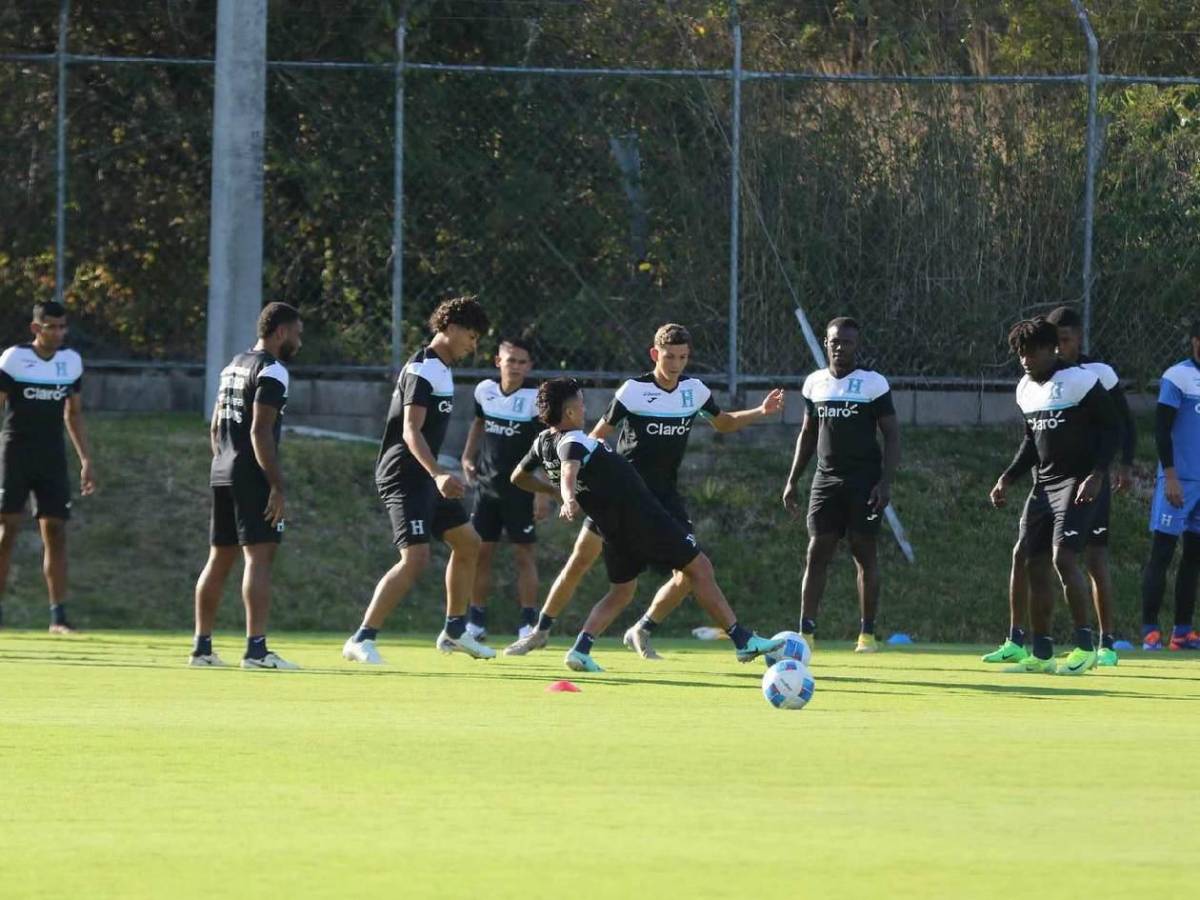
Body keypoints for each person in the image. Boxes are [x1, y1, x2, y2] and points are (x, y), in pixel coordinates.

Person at [502, 323, 783, 658]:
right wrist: (578, 487)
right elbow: (595, 436)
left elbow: (723, 422)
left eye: (682, 356)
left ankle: (642, 628)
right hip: (623, 497)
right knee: (580, 562)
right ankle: (540, 632)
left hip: (664, 498)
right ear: (655, 354)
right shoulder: (633, 391)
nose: (676, 363)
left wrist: (760, 412)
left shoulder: (694, 390)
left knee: (688, 574)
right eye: (669, 356)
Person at [982, 305, 1136, 667]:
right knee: (1030, 559)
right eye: (1020, 352)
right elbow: (1030, 443)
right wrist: (1007, 477)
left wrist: (1098, 473)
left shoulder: (1081, 381)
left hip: (1078, 482)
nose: (1024, 359)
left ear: (1052, 349)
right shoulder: (1025, 389)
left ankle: (1086, 648)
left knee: (1063, 557)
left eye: (1031, 351)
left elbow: (1114, 427)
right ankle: (1042, 652)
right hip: (1044, 485)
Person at [343, 297, 494, 665]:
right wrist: (439, 473)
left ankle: (455, 631)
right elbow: (411, 432)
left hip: (424, 477)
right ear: (452, 328)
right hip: (404, 475)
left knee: (468, 542)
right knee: (415, 558)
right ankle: (361, 638)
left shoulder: (442, 369)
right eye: (471, 337)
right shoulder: (423, 369)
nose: (473, 346)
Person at [190, 302, 303, 669]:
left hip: (221, 467)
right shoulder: (272, 370)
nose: (298, 342)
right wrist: (276, 485)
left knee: (220, 556)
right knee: (259, 556)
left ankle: (202, 648)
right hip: (250, 472)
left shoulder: (232, 366)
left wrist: (223, 460)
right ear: (281, 332)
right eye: (297, 334)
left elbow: (214, 426)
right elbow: (260, 431)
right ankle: (256, 650)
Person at [782, 317, 899, 653]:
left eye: (847, 342)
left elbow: (892, 436)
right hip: (826, 480)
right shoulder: (815, 383)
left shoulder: (873, 384)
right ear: (826, 343)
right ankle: (806, 632)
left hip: (864, 481)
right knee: (817, 551)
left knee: (864, 553)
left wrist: (885, 482)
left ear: (856, 345)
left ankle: (867, 634)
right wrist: (792, 480)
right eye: (835, 341)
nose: (840, 347)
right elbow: (807, 434)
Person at [0, 300, 94, 633]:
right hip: (15, 453)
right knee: (7, 529)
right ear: (35, 328)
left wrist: (85, 460)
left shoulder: (70, 362)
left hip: (51, 456)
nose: (58, 333)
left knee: (54, 531)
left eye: (62, 326)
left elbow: (74, 413)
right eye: (51, 326)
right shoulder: (14, 359)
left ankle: (58, 617)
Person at [460, 337, 548, 642]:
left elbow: (546, 446)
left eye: (522, 362)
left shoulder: (537, 398)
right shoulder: (485, 391)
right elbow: (479, 423)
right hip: (487, 488)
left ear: (530, 366)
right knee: (480, 552)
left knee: (524, 554)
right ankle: (476, 620)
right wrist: (467, 456)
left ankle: (527, 622)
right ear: (499, 361)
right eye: (511, 360)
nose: (516, 367)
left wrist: (542, 490)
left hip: (520, 490)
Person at [1141, 319, 1200, 651]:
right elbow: (1162, 430)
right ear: (1195, 341)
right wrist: (1171, 475)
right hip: (1179, 481)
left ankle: (1182, 631)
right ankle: (1150, 629)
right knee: (1162, 552)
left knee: (1194, 556)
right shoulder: (1177, 376)